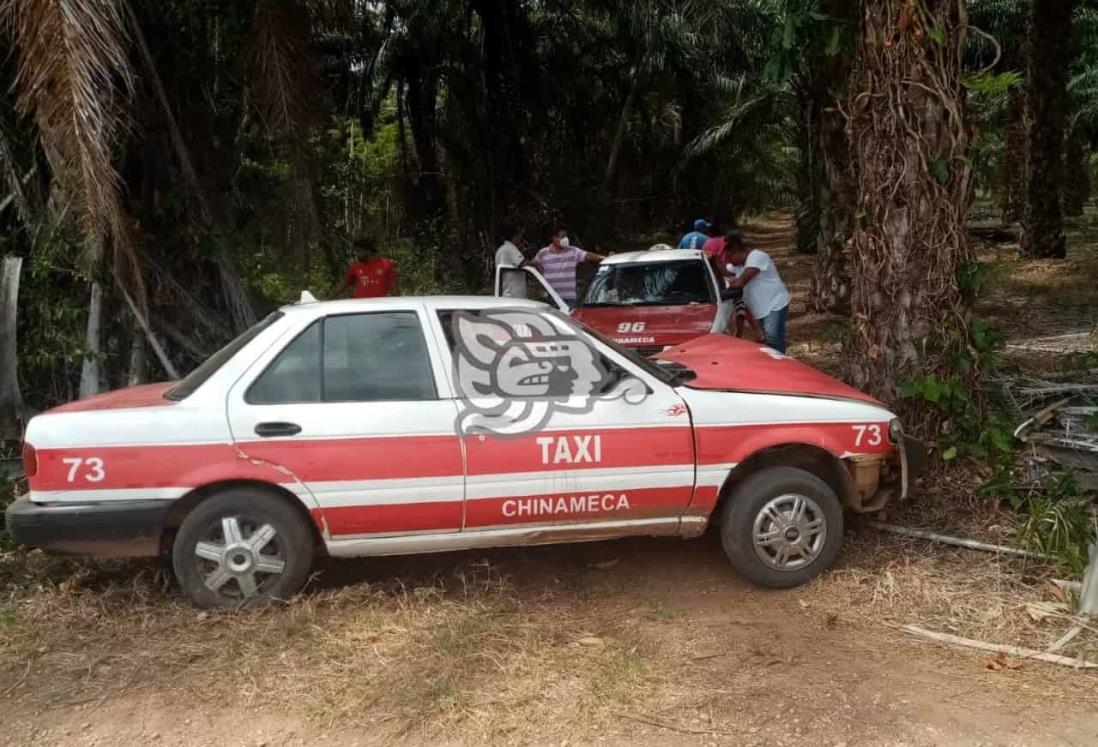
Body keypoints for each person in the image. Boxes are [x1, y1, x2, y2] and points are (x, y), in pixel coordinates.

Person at [724, 231, 791, 353]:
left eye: (729, 257)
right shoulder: (737, 265)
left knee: (773, 337)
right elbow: (724, 271)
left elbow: (742, 280)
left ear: (737, 252)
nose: (729, 261)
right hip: (760, 307)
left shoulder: (756, 257)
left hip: (774, 303)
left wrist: (725, 293)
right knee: (768, 339)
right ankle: (774, 362)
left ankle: (778, 364)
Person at [531, 227, 606, 308]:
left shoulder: (573, 251)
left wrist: (604, 258)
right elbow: (533, 266)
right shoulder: (543, 253)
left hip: (568, 299)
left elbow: (588, 255)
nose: (565, 239)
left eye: (566, 236)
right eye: (562, 236)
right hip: (550, 298)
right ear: (554, 238)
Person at [328, 237, 398, 298]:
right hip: (360, 307)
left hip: (379, 307)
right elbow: (342, 286)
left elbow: (393, 288)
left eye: (358, 251)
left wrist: (396, 305)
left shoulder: (386, 264)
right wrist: (327, 300)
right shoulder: (355, 268)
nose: (356, 254)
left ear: (367, 250)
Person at [495, 225, 527, 299]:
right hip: (513, 294)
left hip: (503, 292)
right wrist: (535, 263)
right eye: (519, 235)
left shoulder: (500, 250)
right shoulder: (510, 248)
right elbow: (522, 263)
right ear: (515, 236)